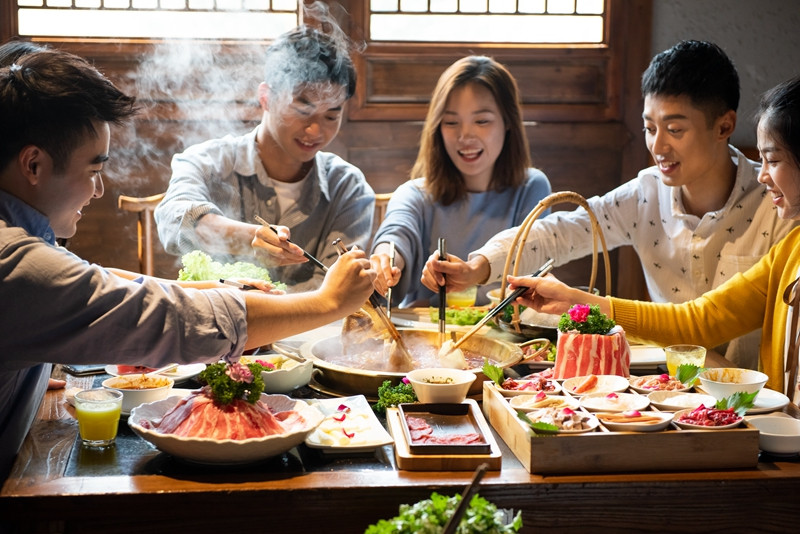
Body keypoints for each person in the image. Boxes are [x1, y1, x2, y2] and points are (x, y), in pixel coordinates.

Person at [0, 49, 376, 481]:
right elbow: (164, 313)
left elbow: (97, 279)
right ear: (33, 164)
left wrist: (218, 287)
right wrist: (328, 302)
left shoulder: (22, 241)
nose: (98, 190)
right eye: (93, 170)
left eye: (331, 114)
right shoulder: (15, 263)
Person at [421, 40, 798, 369]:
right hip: (668, 391)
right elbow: (561, 232)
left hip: (757, 401)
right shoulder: (646, 193)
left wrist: (580, 301)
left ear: (724, 126)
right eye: (650, 128)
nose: (658, 146)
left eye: (675, 129)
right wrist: (478, 266)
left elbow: (700, 321)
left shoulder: (781, 203)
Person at [505, 74, 800, 400]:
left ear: (723, 127)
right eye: (649, 128)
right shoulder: (790, 251)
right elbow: (696, 322)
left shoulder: (780, 225)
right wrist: (576, 302)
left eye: (773, 160)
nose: (762, 175)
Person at [154, 9, 375, 293]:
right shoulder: (206, 161)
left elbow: (336, 286)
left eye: (331, 116)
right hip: (220, 319)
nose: (315, 131)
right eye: (303, 110)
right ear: (266, 97)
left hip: (308, 322)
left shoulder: (348, 186)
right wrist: (247, 237)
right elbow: (173, 220)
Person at [369, 55, 551, 307]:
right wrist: (384, 261)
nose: (465, 136)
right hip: (425, 328)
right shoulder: (414, 193)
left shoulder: (531, 187)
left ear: (508, 121)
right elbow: (395, 235)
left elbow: (532, 271)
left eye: (482, 121)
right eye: (451, 122)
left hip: (503, 327)